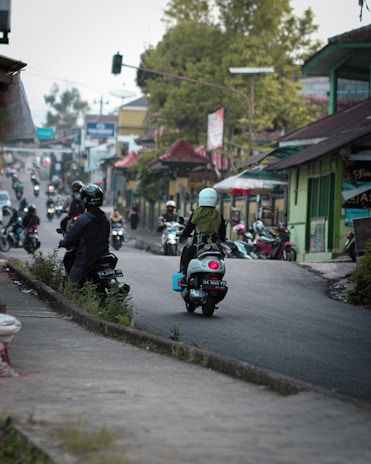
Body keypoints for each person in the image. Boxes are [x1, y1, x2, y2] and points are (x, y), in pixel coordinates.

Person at [58, 183, 110, 291]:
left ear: (85, 200)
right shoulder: (105, 219)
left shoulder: (83, 219)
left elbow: (70, 238)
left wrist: (63, 242)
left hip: (86, 259)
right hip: (104, 257)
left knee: (71, 285)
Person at [177, 188, 226, 279]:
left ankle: (184, 274)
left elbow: (189, 228)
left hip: (198, 246)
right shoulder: (218, 214)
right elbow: (222, 231)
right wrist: (222, 239)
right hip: (215, 247)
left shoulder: (197, 212)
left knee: (187, 252)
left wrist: (183, 235)